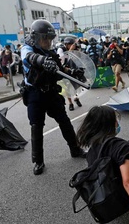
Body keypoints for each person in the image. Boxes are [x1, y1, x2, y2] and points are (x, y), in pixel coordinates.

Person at [21, 19, 86, 175]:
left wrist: (73, 73)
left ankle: (75, 149)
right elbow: (28, 57)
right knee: (36, 127)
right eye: (45, 38)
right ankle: (38, 161)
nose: (48, 42)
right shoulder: (27, 48)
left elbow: (60, 71)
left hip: (51, 93)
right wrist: (42, 61)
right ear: (36, 37)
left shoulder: (51, 53)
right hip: (35, 94)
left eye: (50, 39)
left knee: (64, 121)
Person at [56, 37, 83, 111]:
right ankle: (70, 103)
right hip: (64, 70)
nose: (73, 46)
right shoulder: (61, 49)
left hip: (72, 69)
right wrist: (70, 51)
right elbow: (62, 61)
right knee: (67, 87)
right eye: (71, 44)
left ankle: (76, 98)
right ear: (67, 44)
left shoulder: (74, 49)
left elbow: (78, 58)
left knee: (75, 85)